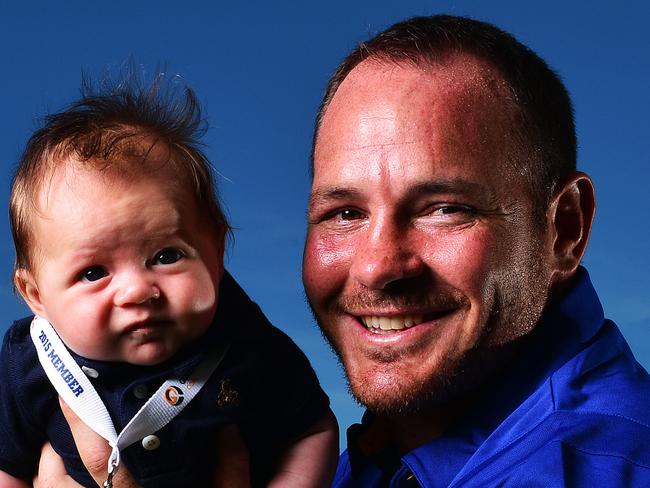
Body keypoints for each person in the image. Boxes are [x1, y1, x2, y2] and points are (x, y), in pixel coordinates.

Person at [302, 14, 650, 486]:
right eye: (344, 213)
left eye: (444, 209)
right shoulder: (381, 453)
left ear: (565, 228)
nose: (375, 264)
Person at [0, 76, 338, 488]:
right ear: (36, 296)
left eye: (166, 256)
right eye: (93, 273)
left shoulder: (247, 342)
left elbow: (312, 430)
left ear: (216, 251)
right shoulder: (29, 365)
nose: (138, 291)